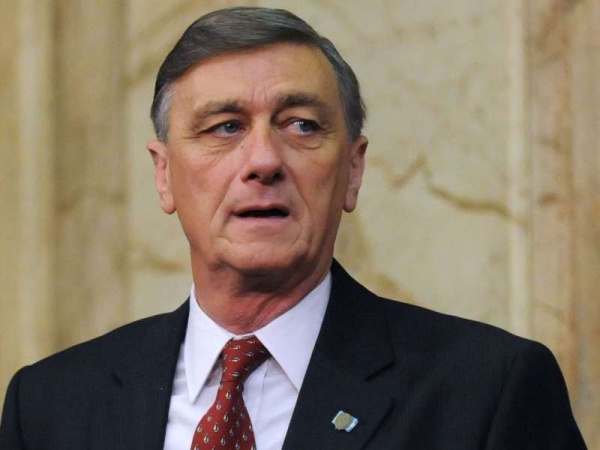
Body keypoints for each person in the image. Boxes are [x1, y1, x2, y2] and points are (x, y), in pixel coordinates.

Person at [0, 6, 587, 450]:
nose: (264, 160)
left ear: (352, 171)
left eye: (301, 125)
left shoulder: (486, 392)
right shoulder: (50, 406)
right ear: (164, 175)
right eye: (225, 127)